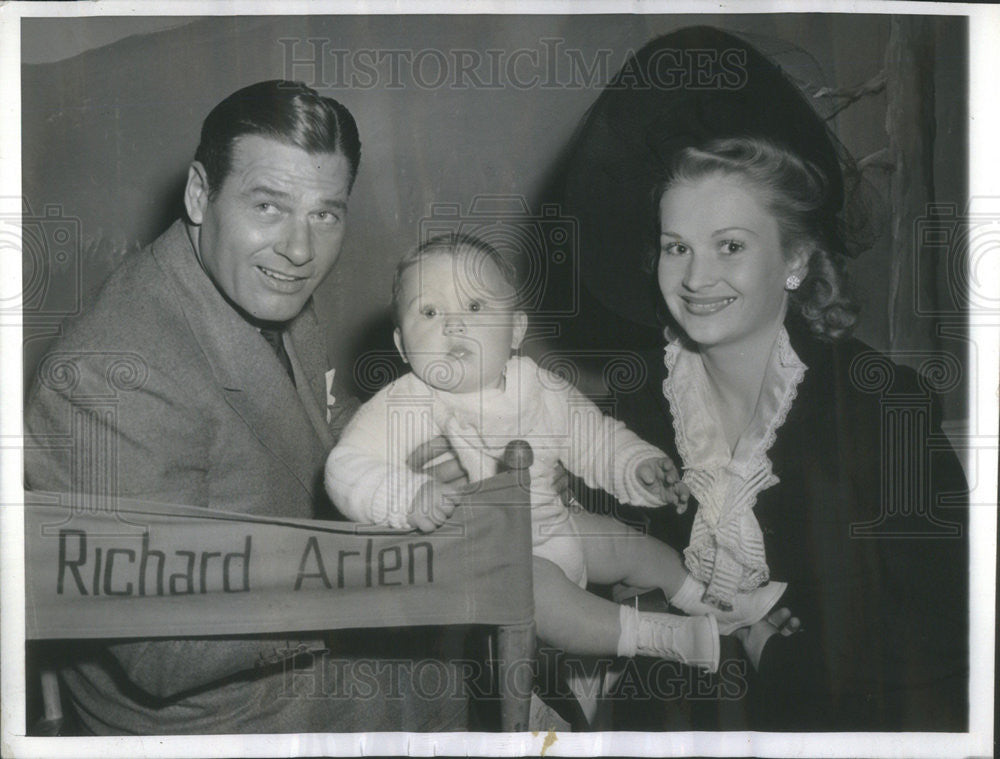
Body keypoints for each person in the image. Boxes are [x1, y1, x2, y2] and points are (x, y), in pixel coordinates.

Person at [24, 80, 468, 734]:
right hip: (212, 716)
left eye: (326, 214)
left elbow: (309, 426)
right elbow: (160, 644)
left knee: (471, 652)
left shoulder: (258, 285)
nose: (298, 249)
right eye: (268, 205)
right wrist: (380, 567)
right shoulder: (107, 375)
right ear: (200, 195)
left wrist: (401, 460)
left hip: (293, 647)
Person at [611, 135, 969, 731]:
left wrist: (774, 650)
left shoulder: (882, 404)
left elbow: (948, 621)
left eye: (730, 246)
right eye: (678, 247)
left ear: (796, 260)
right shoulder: (638, 400)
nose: (698, 277)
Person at [325, 234, 793, 678]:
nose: (454, 323)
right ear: (403, 346)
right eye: (429, 311)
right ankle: (663, 636)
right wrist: (408, 496)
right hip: (476, 566)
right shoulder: (403, 404)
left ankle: (711, 600)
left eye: (474, 306)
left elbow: (593, 438)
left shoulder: (538, 385)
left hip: (553, 527)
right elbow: (345, 468)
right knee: (540, 595)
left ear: (515, 330)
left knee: (625, 543)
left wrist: (637, 466)